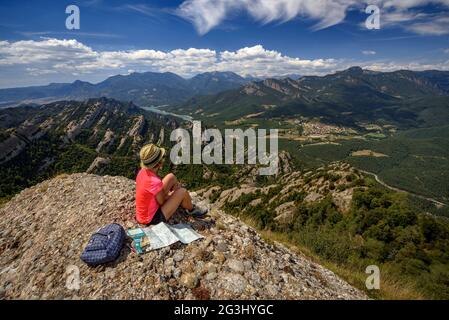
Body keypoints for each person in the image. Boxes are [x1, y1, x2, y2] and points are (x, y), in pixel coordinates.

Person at [135, 144, 207, 225]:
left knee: (171, 177)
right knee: (182, 191)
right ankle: (191, 210)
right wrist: (172, 194)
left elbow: (155, 192)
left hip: (145, 211)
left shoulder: (142, 172)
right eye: (161, 158)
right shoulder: (154, 181)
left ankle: (181, 201)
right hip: (151, 218)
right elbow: (161, 202)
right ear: (159, 164)